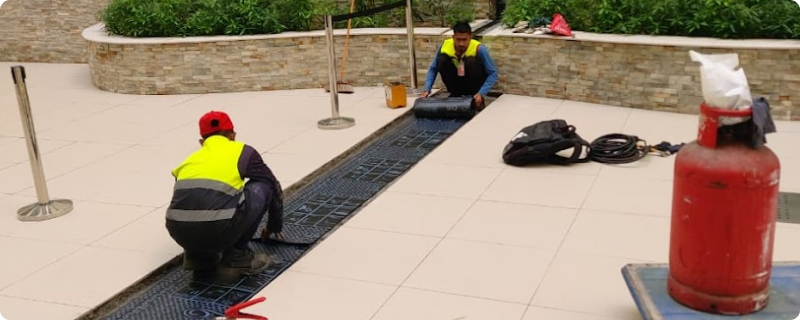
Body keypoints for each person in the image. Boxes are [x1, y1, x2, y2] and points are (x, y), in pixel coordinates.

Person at [165, 110, 285, 280]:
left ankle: (198, 258)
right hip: (218, 229)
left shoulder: (189, 160)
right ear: (232, 135)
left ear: (202, 142)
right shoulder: (243, 151)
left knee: (198, 200)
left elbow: (192, 200)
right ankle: (238, 257)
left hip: (177, 230)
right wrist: (274, 225)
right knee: (262, 187)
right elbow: (273, 185)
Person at [420, 21, 499, 108]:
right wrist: (427, 89)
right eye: (458, 39)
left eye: (464, 40)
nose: (461, 44)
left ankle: (476, 99)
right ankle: (455, 94)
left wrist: (481, 93)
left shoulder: (479, 48)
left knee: (470, 61)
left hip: (473, 85)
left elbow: (493, 73)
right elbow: (433, 69)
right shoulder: (445, 46)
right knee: (442, 59)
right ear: (453, 37)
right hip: (457, 81)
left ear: (470, 37)